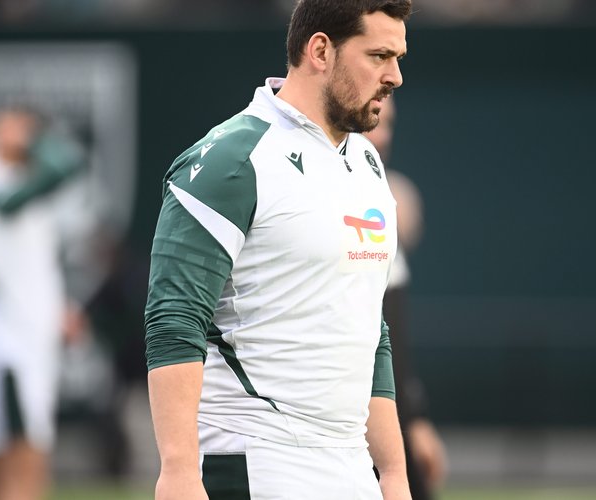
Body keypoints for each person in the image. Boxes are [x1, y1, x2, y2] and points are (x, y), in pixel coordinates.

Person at [144, 1, 412, 498]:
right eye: (379, 56)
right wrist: (178, 469)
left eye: (398, 58)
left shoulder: (367, 162)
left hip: (351, 464)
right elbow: (174, 318)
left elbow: (368, 327)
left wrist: (393, 473)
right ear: (320, 51)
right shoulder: (231, 159)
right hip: (257, 459)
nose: (394, 76)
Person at [0, 106, 83, 500]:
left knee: (29, 452)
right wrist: (34, 144)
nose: (19, 133)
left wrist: (60, 307)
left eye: (26, 127)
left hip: (33, 333)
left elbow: (35, 261)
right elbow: (14, 199)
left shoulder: (31, 178)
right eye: (11, 125)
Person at [364, 98, 448, 500]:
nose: (381, 135)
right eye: (373, 120)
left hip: (368, 415)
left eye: (388, 122)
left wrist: (414, 419)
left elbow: (387, 336)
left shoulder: (376, 199)